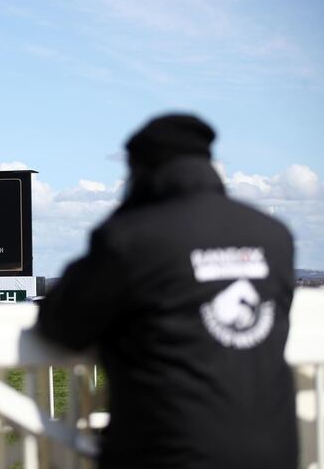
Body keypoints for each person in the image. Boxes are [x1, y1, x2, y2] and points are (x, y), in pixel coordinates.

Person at [37, 114, 297, 469]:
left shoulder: (130, 237)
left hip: (164, 452)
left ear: (140, 172)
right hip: (275, 453)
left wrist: (125, 218)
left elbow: (62, 325)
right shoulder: (273, 235)